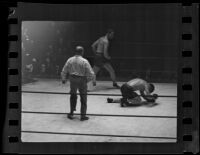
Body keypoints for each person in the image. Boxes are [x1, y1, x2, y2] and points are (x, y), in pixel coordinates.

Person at [61, 46, 95, 121]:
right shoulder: (84, 61)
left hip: (72, 79)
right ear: (82, 52)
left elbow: (64, 70)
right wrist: (89, 80)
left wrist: (63, 78)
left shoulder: (70, 60)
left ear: (75, 52)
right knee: (83, 97)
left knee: (73, 96)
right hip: (82, 79)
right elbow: (91, 73)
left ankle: (71, 112)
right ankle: (83, 116)